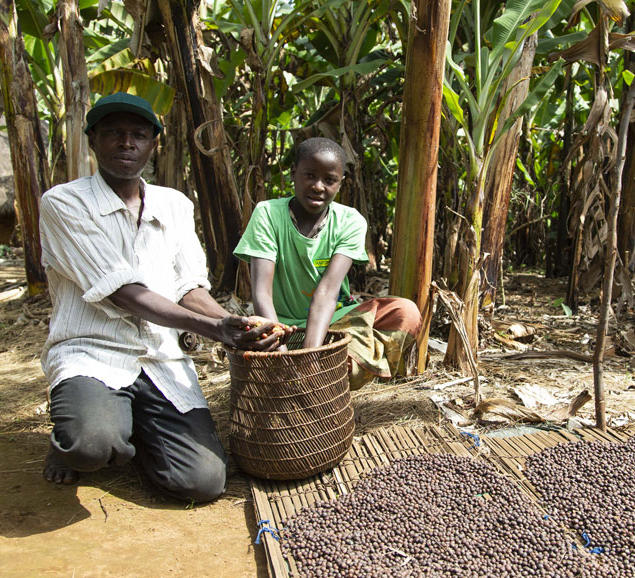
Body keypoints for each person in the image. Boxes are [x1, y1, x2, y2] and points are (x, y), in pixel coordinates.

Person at [39, 92, 281, 503]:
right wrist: (212, 329)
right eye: (114, 133)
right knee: (90, 446)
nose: (126, 143)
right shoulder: (64, 202)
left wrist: (235, 324)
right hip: (92, 353)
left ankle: (126, 429)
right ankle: (77, 435)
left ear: (154, 144)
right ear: (93, 139)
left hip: (161, 359)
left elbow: (189, 286)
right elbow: (123, 292)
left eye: (138, 134)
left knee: (202, 483)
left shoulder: (174, 205)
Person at [234, 137, 421, 389]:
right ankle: (325, 370)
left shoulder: (350, 221)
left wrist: (308, 358)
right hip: (280, 327)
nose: (318, 186)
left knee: (405, 312)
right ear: (293, 174)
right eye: (309, 175)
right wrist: (282, 351)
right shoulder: (267, 213)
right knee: (262, 347)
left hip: (332, 326)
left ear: (340, 183)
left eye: (329, 180)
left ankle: (325, 369)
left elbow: (326, 293)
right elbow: (261, 294)